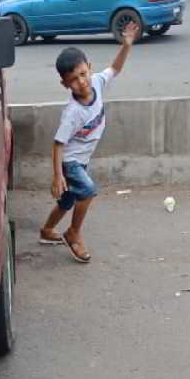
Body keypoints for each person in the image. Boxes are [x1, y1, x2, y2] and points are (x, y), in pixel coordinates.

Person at [38, 20, 141, 263]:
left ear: (90, 69)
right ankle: (73, 233)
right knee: (87, 191)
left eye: (83, 74)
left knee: (67, 201)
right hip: (70, 161)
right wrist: (57, 176)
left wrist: (126, 44)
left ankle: (46, 230)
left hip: (81, 160)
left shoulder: (97, 82)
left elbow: (115, 68)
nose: (81, 82)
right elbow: (58, 144)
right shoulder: (72, 113)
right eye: (73, 79)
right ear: (65, 84)